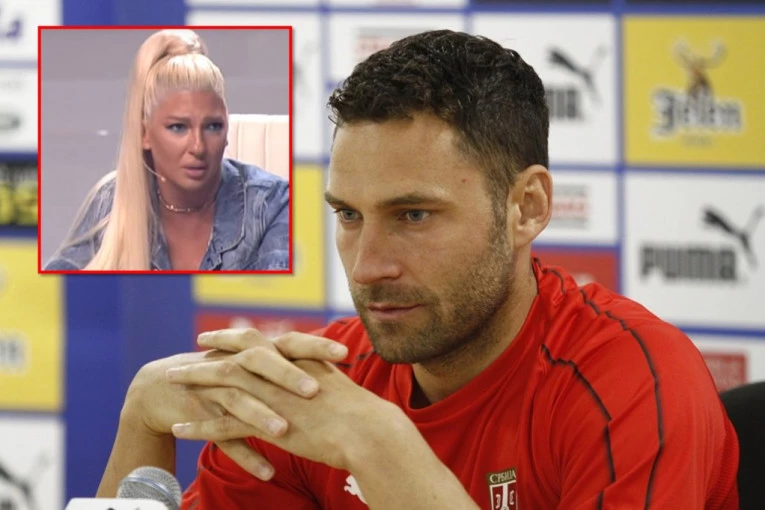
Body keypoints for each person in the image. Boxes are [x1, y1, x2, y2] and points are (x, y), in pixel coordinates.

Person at [96, 30, 739, 508]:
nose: (367, 266)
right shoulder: (318, 391)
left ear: (527, 207)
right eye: (349, 215)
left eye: (414, 215)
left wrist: (382, 448)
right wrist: (141, 418)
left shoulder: (630, 383)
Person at [44, 29, 289, 271]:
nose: (198, 147)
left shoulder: (273, 205)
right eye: (178, 127)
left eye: (213, 126)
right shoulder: (112, 199)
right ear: (145, 134)